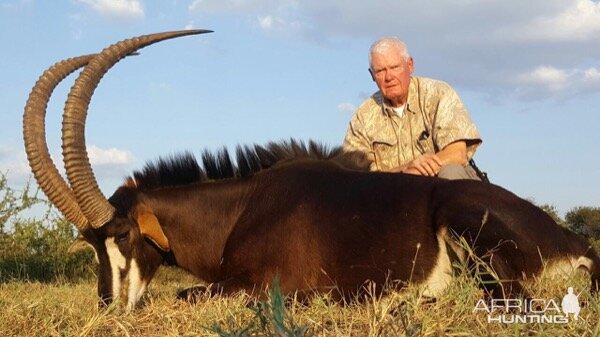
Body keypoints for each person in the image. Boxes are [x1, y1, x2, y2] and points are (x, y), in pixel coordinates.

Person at [343, 37, 482, 180]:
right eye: (380, 71)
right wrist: (404, 171)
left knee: (451, 171)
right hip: (396, 193)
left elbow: (457, 154)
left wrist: (414, 173)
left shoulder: (438, 93)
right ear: (372, 75)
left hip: (446, 184)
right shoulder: (363, 117)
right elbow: (357, 177)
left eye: (395, 67)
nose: (389, 77)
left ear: (410, 65)